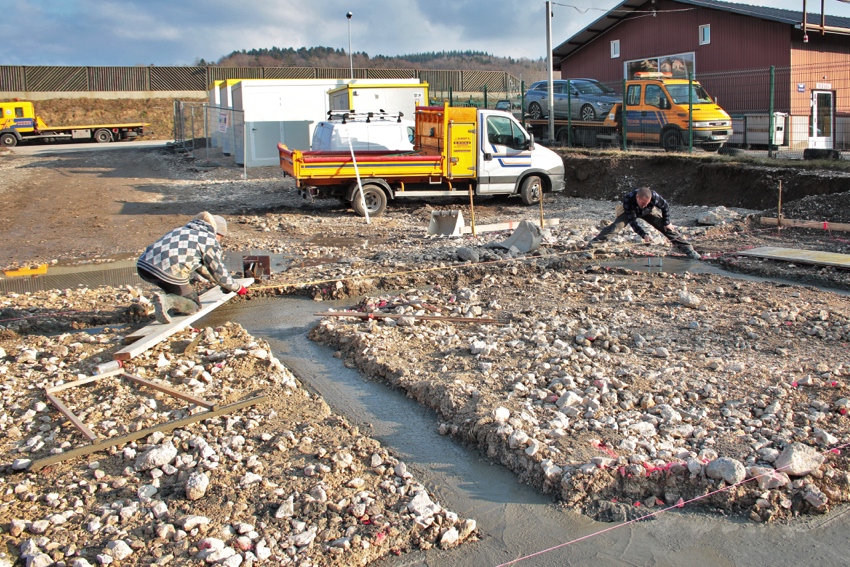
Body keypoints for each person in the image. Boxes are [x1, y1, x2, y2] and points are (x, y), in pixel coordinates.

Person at [136, 212, 248, 323]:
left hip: (143, 266)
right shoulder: (209, 240)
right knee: (194, 305)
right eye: (220, 237)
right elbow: (218, 272)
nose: (219, 241)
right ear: (217, 232)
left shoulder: (182, 230)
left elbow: (203, 269)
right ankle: (168, 302)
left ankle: (169, 305)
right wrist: (238, 288)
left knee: (176, 291)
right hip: (168, 270)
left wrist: (224, 285)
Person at [585, 187, 701, 259]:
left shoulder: (655, 198)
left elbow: (665, 207)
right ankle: (590, 249)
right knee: (615, 227)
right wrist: (643, 234)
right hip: (631, 211)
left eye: (647, 202)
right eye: (643, 203)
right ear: (637, 197)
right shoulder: (628, 200)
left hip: (649, 212)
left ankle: (689, 250)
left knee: (666, 228)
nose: (644, 204)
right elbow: (632, 221)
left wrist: (666, 221)